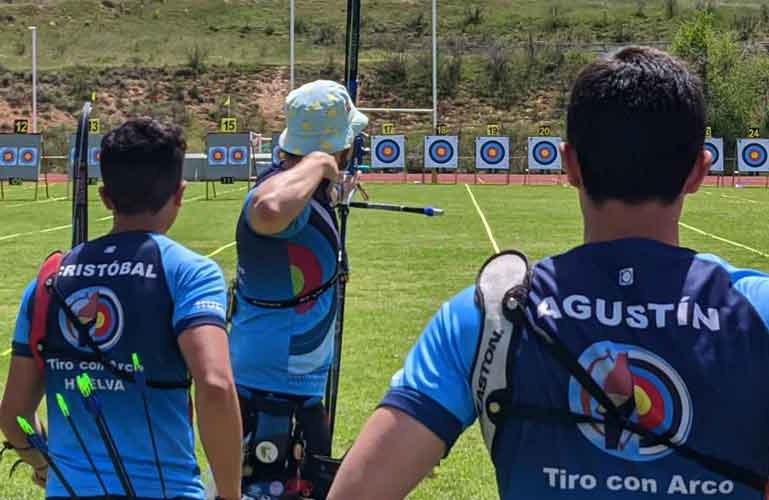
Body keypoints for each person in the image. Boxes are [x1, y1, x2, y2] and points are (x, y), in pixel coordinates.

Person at [328, 47, 769, 500]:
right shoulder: (758, 311)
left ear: (569, 165)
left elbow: (357, 493)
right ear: (698, 171)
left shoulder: (487, 316)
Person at [0, 118, 242, 500]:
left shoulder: (49, 280)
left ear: (105, 198)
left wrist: (45, 465)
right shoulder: (190, 273)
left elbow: (14, 414)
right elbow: (214, 385)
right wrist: (230, 494)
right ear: (179, 194)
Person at [227, 80, 367, 498]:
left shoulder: (304, 195)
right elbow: (268, 210)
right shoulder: (281, 195)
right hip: (273, 386)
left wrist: (327, 184)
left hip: (293, 381)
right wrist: (321, 162)